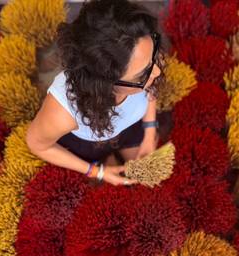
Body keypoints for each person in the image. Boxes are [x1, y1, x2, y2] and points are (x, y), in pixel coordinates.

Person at [25, 0, 166, 186]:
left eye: (154, 55)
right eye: (142, 75)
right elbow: (36, 144)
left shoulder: (145, 54)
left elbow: (150, 90)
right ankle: (105, 161)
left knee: (149, 179)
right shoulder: (63, 111)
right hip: (87, 145)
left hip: (129, 128)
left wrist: (149, 132)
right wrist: (97, 172)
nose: (157, 71)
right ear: (104, 83)